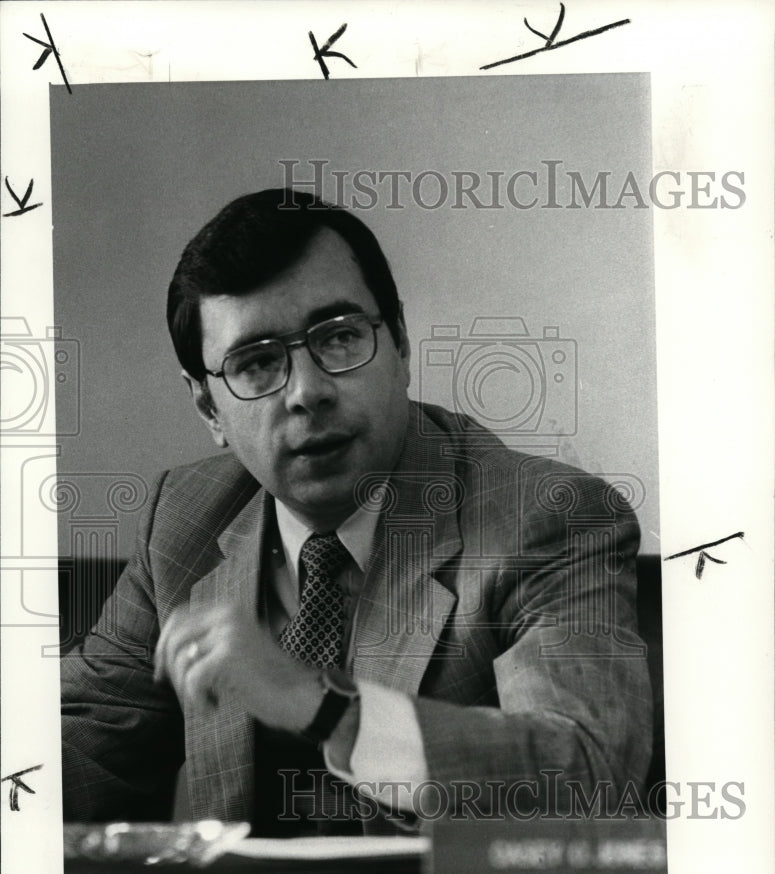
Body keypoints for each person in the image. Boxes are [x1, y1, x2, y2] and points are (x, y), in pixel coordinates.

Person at [61, 188, 652, 832]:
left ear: (399, 343)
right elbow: (74, 758)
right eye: (257, 363)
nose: (308, 393)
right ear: (209, 409)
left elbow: (589, 780)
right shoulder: (183, 521)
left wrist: (317, 705)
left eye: (339, 338)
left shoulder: (546, 517)